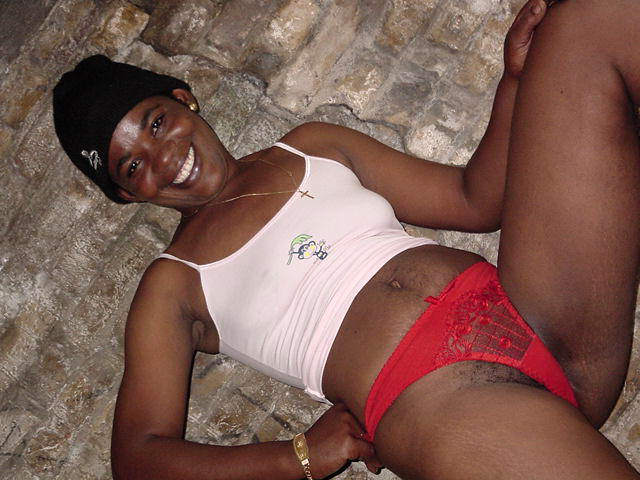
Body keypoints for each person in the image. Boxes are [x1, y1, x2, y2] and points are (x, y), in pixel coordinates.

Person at [52, 0, 640, 478]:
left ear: (183, 99)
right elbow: (139, 459)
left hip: (531, 310)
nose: (163, 157)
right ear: (125, 195)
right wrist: (299, 457)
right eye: (132, 166)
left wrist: (515, 80)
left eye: (156, 123)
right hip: (439, 403)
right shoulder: (173, 285)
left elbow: (474, 200)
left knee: (584, 24)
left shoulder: (311, 145)